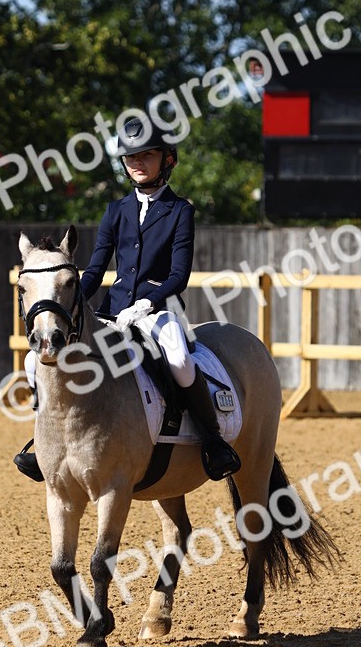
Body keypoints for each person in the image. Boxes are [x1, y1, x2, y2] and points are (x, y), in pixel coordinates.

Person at [14, 113, 242, 482]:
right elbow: (94, 269)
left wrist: (148, 303)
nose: (138, 164)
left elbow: (178, 276)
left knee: (180, 359)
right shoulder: (115, 211)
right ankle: (45, 442)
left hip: (159, 310)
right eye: (131, 158)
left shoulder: (180, 211)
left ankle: (213, 441)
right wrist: (70, 308)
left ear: (166, 159)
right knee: (35, 361)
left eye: (146, 156)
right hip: (112, 311)